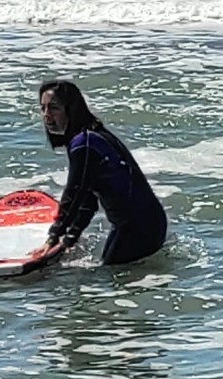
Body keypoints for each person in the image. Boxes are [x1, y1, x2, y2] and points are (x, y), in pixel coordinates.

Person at [29, 79, 168, 265]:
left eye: (54, 108)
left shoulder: (84, 144)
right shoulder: (90, 138)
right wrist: (68, 240)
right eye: (43, 108)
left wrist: (53, 238)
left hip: (137, 228)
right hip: (146, 223)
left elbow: (74, 193)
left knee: (110, 282)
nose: (47, 115)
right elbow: (88, 200)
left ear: (70, 109)